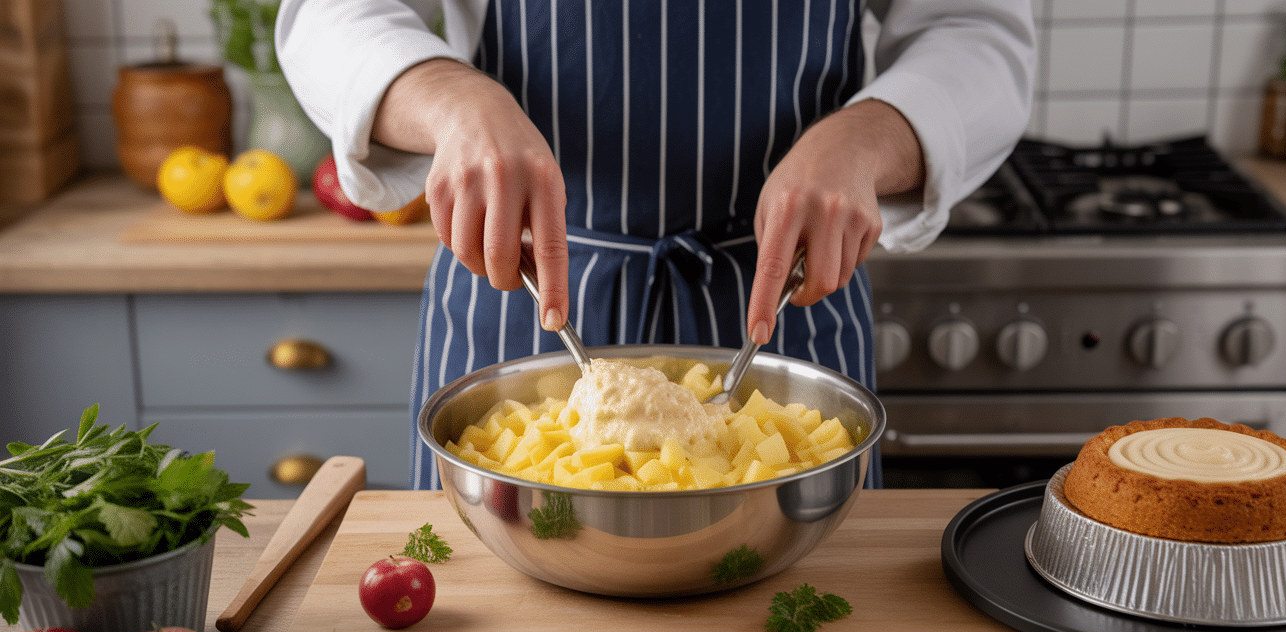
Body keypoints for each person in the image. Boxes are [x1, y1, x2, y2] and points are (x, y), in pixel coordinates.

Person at [275, 1, 1036, 490]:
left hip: (786, 297)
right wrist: (449, 97)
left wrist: (871, 137)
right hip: (523, 288)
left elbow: (976, 29)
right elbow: (329, 13)